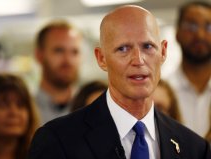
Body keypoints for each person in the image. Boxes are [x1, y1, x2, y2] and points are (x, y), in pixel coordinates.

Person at [28, 5, 211, 159]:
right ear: (101, 58)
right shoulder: (58, 140)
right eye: (123, 49)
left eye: (148, 46)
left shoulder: (194, 149)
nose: (138, 60)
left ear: (163, 52)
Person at [166, 1, 211, 137]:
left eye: (209, 27)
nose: (200, 35)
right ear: (177, 33)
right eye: (191, 26)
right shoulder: (162, 91)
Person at [35, 20, 82, 124]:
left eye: (74, 52)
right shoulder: (23, 112)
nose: (68, 60)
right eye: (59, 51)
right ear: (39, 55)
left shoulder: (92, 108)